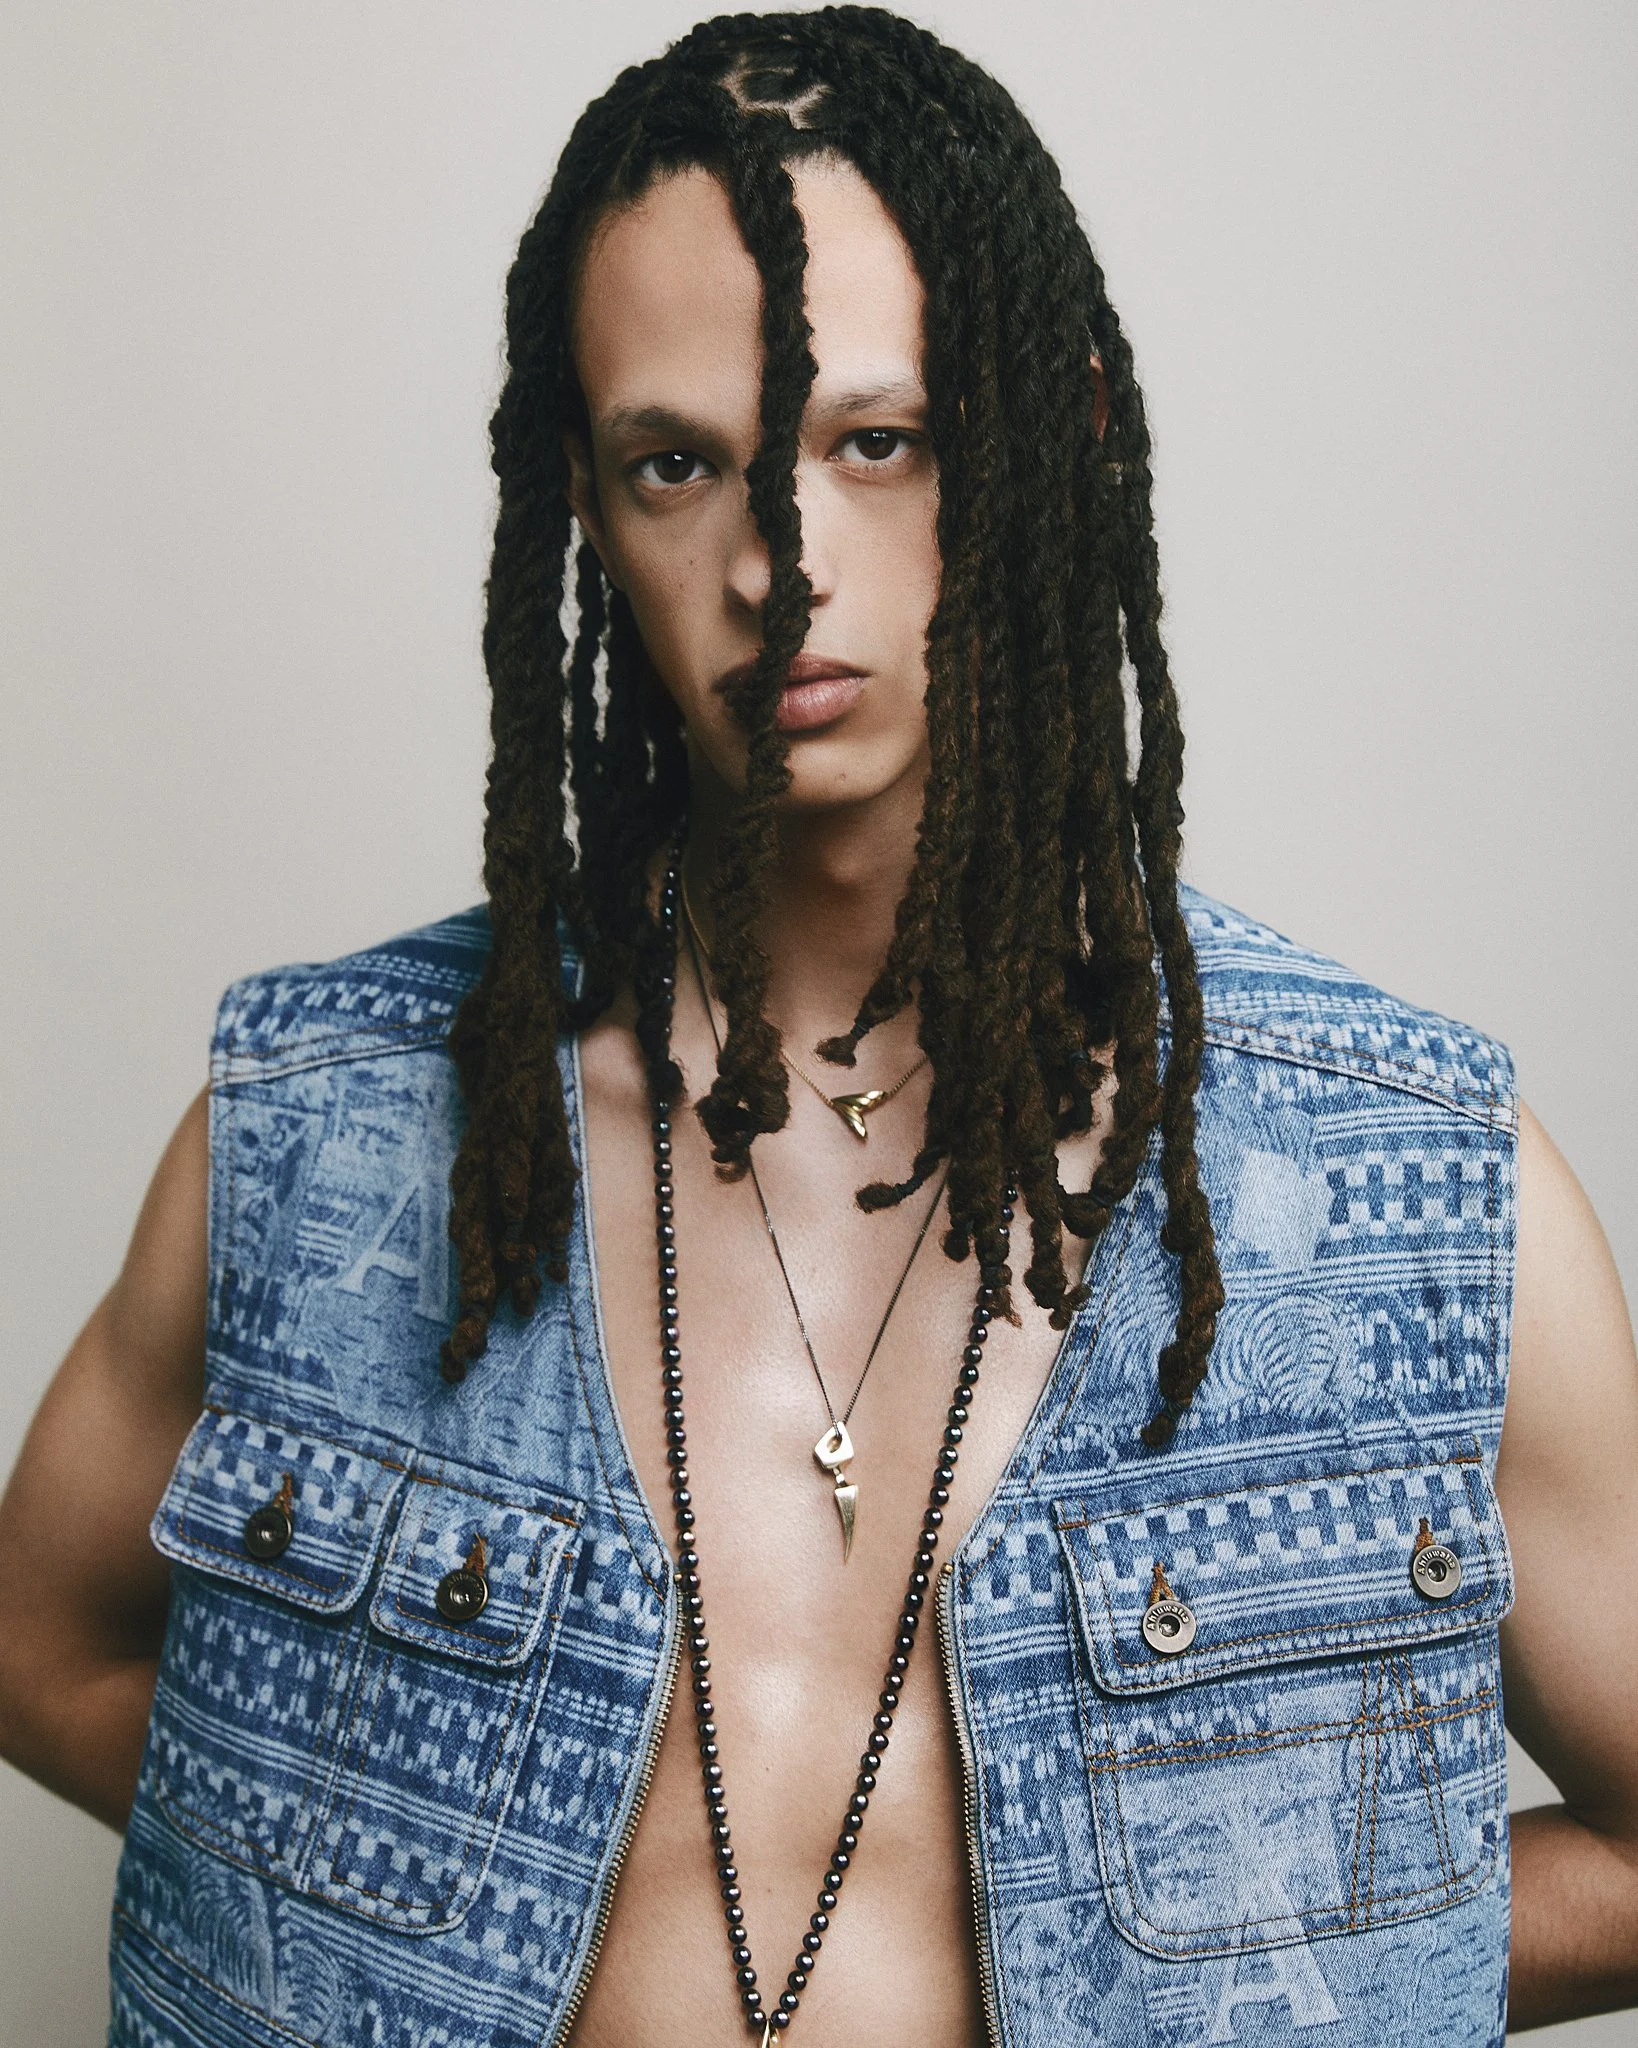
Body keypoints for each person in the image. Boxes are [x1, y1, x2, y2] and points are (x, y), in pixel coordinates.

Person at [1, 8, 1634, 2043]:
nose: (779, 565)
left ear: (1058, 437)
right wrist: (390, 1921)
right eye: (677, 464)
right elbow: (41, 1651)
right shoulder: (331, 1140)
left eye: (879, 440)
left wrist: (1276, 1974)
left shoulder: (1411, 1191)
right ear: (585, 504)